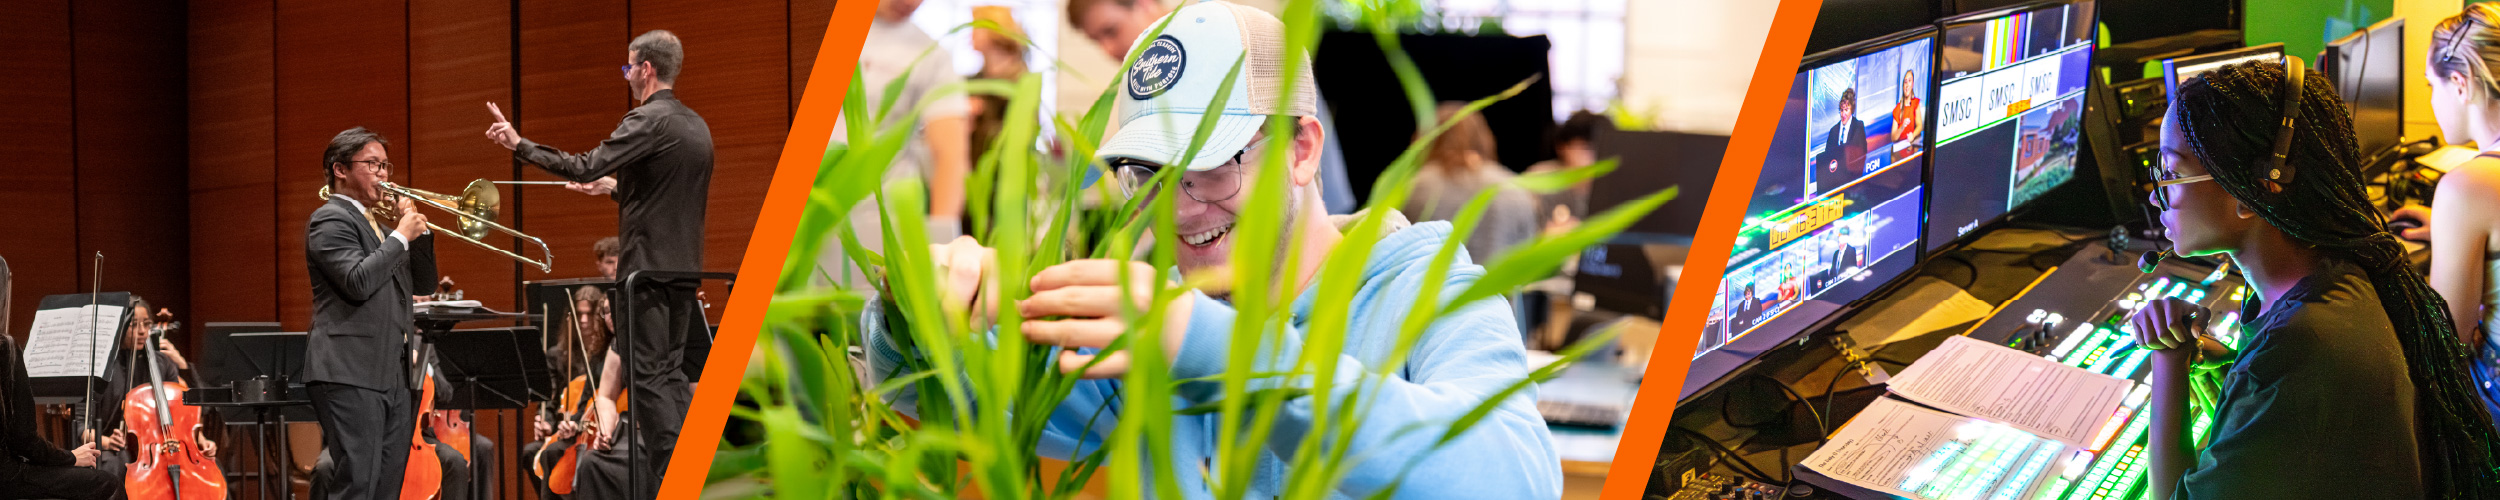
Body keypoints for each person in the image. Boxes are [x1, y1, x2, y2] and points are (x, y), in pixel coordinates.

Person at [866, 3, 1559, 497]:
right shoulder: (1154, 318)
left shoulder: (1426, 286)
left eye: (1212, 166)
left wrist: (1221, 352)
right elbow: (970, 404)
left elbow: (1517, 478)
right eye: (1149, 176)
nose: (1179, 209)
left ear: (1301, 150)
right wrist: (919, 310)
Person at [2128, 60, 2500, 499]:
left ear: (2248, 192)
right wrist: (2237, 372)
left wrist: (2168, 358)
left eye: (2171, 173)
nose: (2156, 193)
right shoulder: (2343, 268)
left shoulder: (2299, 351)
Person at [484, 29, 711, 499]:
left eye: (629, 68)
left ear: (646, 68)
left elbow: (584, 163)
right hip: (684, 271)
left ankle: (678, 478)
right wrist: (612, 189)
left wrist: (519, 144)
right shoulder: (696, 126)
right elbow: (662, 199)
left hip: (645, 274)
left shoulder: (647, 119)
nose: (628, 76)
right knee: (669, 375)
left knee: (647, 379)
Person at [1067, 0, 1359, 214]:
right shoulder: (1151, 82)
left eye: (1110, 31)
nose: (1106, 49)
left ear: (1143, 4)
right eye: (1149, 173)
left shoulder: (1233, 45)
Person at [304, 126, 440, 500]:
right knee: (358, 482)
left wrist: (420, 234)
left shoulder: (379, 229)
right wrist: (399, 237)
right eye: (372, 164)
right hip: (349, 371)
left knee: (386, 486)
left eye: (385, 165)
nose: (383, 174)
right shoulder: (329, 220)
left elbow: (424, 284)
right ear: (340, 169)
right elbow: (357, 281)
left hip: (391, 374)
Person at [2389, 4, 2500, 420]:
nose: (2432, 100)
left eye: (2430, 85)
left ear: (2460, 82)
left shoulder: (2467, 186)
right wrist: (2451, 234)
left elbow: (2448, 339)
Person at [0, 257, 116, 500]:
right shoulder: (5, 349)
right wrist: (72, 457)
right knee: (107, 484)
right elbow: (25, 442)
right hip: (6, 479)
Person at [81, 296, 217, 481]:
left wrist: (201, 440)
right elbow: (81, 424)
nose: (143, 331)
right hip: (115, 451)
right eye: (134, 325)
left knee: (209, 468)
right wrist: (106, 441)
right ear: (118, 327)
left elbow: (186, 410)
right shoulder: (101, 368)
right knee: (116, 464)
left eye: (147, 324)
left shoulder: (161, 364)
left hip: (161, 446)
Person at [1406, 102, 1541, 260]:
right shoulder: (1514, 186)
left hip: (1432, 285)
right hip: (1501, 284)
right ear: (1485, 137)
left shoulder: (1413, 187)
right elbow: (1526, 254)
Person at [521, 286, 612, 500]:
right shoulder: (558, 355)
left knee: (552, 454)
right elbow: (551, 401)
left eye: (589, 314)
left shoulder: (604, 354)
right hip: (567, 428)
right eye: (578, 314)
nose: (583, 319)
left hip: (593, 428)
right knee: (532, 452)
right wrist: (544, 421)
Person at [1524, 110, 1606, 231]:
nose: (1593, 157)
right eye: (1586, 148)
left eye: (1600, 148)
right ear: (1563, 147)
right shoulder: (1539, 181)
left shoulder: (1611, 186)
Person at [1817, 88, 1868, 188]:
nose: (1843, 114)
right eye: (1841, 110)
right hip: (1835, 181)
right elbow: (1827, 157)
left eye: (1846, 110)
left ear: (1852, 110)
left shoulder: (1858, 127)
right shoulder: (1833, 131)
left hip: (1852, 181)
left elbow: (1863, 153)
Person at [1891, 70, 1922, 152]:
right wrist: (1902, 127)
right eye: (1905, 82)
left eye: (1909, 81)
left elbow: (1920, 125)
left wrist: (1913, 135)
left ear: (1913, 84)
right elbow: (1893, 138)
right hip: (1900, 151)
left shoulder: (1916, 103)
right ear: (1902, 86)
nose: (1907, 85)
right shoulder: (1897, 109)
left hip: (1913, 147)